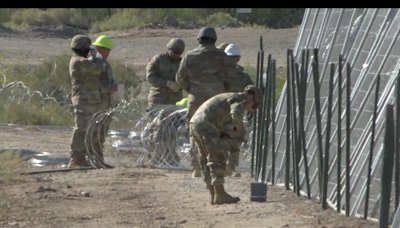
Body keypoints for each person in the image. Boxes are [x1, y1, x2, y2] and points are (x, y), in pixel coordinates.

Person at [175, 27, 237, 178]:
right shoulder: (223, 57)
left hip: (197, 99)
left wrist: (193, 90)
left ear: (199, 40)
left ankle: (196, 168)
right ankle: (223, 167)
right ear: (214, 40)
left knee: (195, 133)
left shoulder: (190, 56)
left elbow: (180, 78)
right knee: (221, 131)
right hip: (218, 100)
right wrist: (223, 91)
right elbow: (232, 79)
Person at [189, 85, 263, 205]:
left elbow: (220, 117)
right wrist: (239, 127)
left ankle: (214, 194)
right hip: (206, 124)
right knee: (217, 156)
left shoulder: (229, 97)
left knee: (204, 159)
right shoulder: (238, 100)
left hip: (196, 123)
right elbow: (235, 112)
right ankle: (220, 194)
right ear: (250, 98)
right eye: (253, 106)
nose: (250, 109)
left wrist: (226, 134)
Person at [67, 34, 118, 169]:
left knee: (97, 132)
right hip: (85, 101)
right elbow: (95, 73)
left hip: (97, 102)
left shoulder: (96, 63)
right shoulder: (81, 61)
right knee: (82, 130)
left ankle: (95, 159)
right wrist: (97, 58)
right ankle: (76, 159)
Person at [223, 44, 255, 177]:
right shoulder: (242, 75)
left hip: (226, 110)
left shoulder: (219, 73)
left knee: (228, 138)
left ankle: (228, 167)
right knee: (232, 138)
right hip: (232, 111)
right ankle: (229, 166)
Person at [146, 38, 185, 107]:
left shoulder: (182, 63)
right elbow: (150, 77)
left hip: (175, 100)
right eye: (175, 52)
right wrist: (166, 83)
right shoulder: (158, 60)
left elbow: (187, 79)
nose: (177, 55)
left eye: (179, 53)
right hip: (158, 98)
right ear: (169, 49)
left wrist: (180, 85)